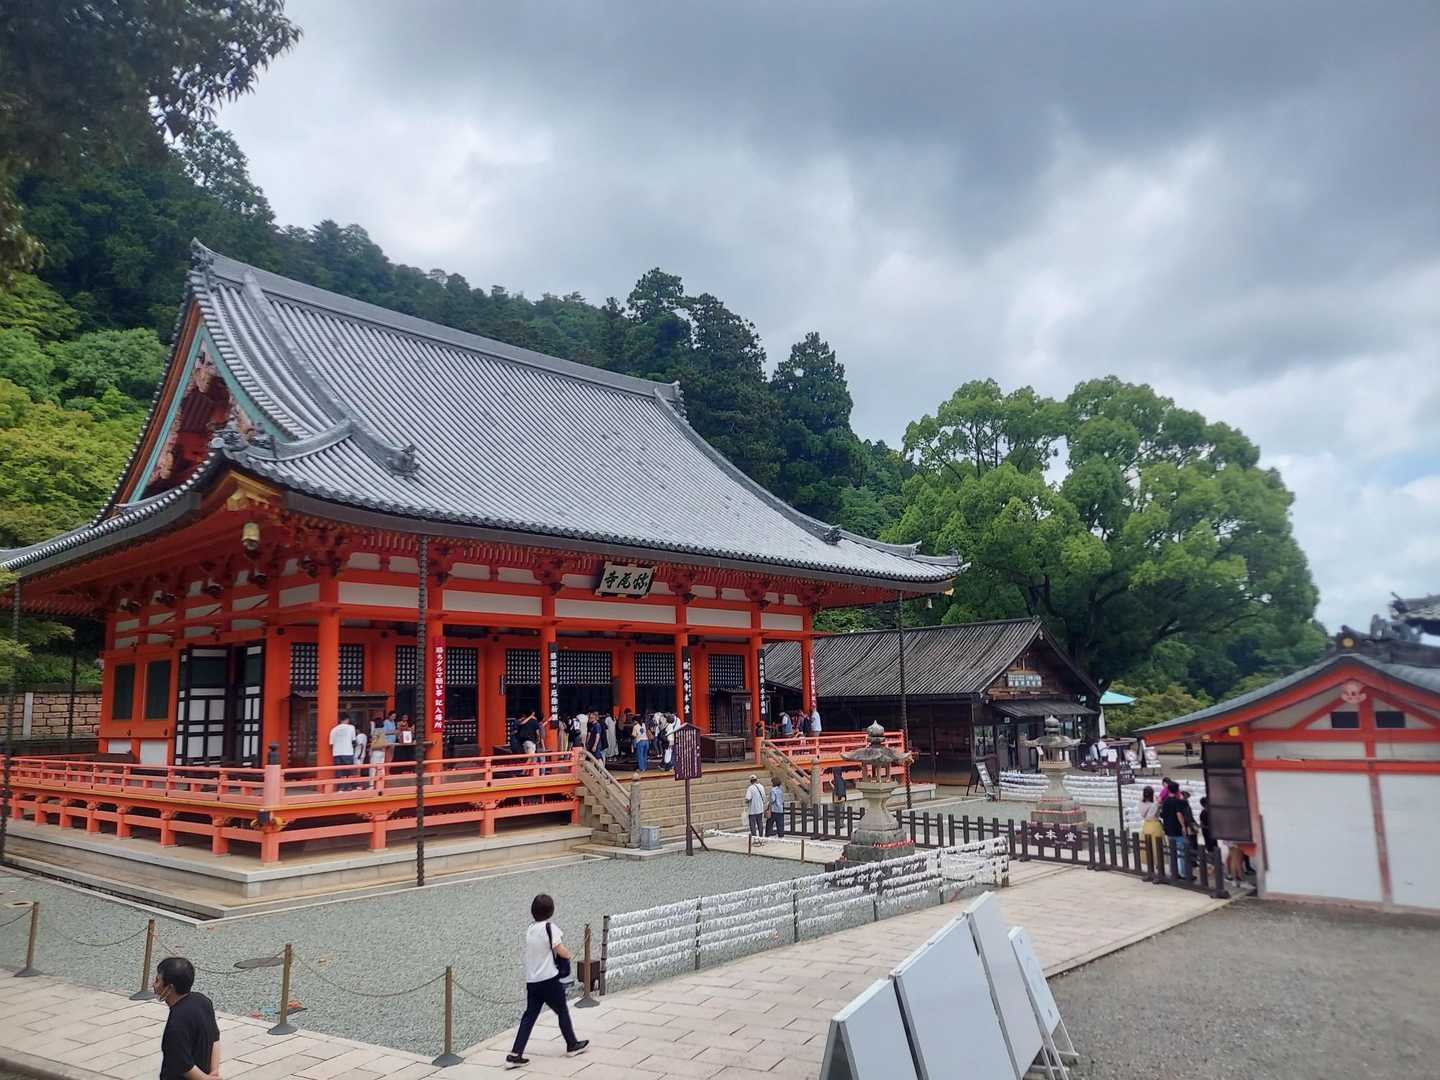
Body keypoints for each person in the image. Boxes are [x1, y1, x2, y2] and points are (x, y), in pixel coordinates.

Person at [506, 893, 588, 1068]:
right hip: (549, 979)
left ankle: (515, 1053)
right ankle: (572, 1044)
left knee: (529, 1017)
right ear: (551, 911)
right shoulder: (550, 928)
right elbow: (559, 949)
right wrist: (569, 955)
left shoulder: (530, 929)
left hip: (532, 980)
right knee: (562, 1011)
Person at [155, 956, 220, 1080]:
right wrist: (214, 1072)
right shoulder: (203, 1001)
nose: (154, 985)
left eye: (157, 980)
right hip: (205, 1073)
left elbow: (183, 1066)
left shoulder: (176, 1023)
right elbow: (215, 1039)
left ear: (170, 988)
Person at [1159, 779, 1196, 877]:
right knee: (1183, 852)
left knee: (1173, 851)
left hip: (1168, 829)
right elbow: (1179, 814)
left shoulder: (1165, 802)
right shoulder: (1178, 802)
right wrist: (1183, 826)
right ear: (1177, 790)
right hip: (1177, 829)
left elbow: (1162, 814)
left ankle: (1174, 871)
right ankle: (1184, 873)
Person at [1138, 784, 1164, 871]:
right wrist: (1158, 802)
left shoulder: (1141, 803)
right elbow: (1159, 810)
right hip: (1155, 825)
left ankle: (1150, 867)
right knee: (1157, 847)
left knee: (1148, 847)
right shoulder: (1155, 805)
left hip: (1146, 825)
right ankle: (1159, 866)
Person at [329, 715, 356, 789]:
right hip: (348, 752)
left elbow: (331, 743)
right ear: (347, 719)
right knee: (349, 771)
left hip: (337, 753)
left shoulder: (334, 729)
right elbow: (353, 740)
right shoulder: (351, 727)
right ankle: (351, 786)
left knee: (339, 771)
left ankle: (340, 787)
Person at [368, 718, 390, 784]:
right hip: (382, 751)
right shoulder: (383, 731)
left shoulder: (376, 731)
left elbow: (373, 741)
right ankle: (381, 783)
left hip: (376, 751)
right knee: (381, 768)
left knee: (373, 768)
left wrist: (370, 750)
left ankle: (371, 785)